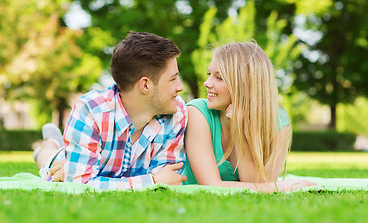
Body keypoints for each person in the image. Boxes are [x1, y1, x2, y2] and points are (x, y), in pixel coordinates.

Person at [33, 31, 188, 190]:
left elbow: (168, 178)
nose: (180, 87)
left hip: (91, 163)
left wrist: (92, 179)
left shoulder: (176, 111)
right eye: (173, 79)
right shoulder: (91, 110)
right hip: (71, 157)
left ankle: (53, 145)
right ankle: (49, 144)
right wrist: (152, 181)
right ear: (145, 85)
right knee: (49, 161)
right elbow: (80, 186)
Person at [183, 42, 315, 192]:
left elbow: (255, 183)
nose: (207, 83)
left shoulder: (278, 121)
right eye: (209, 75)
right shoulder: (198, 113)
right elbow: (211, 185)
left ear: (245, 84)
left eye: (219, 78)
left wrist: (240, 128)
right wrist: (278, 187)